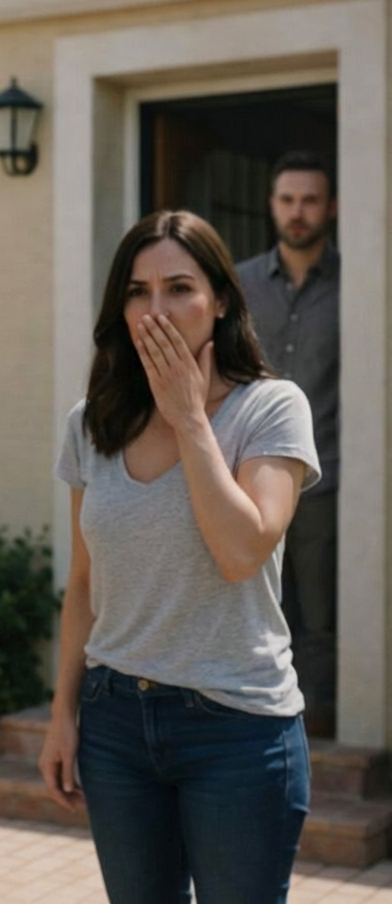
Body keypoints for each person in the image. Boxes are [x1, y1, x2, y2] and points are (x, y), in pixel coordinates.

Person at [39, 210, 319, 904]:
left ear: (221, 300)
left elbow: (240, 552)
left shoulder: (271, 409)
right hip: (115, 724)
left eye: (179, 288)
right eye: (137, 291)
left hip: (238, 729)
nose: (155, 310)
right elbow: (82, 583)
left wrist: (191, 418)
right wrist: (62, 714)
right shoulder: (92, 422)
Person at [237, 151, 339, 737]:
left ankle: (317, 727)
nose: (297, 213)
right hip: (250, 477)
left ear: (331, 208)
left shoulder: (361, 281)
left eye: (309, 200)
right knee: (258, 603)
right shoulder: (241, 284)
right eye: (286, 200)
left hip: (331, 476)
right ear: (271, 205)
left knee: (321, 613)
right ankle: (258, 718)